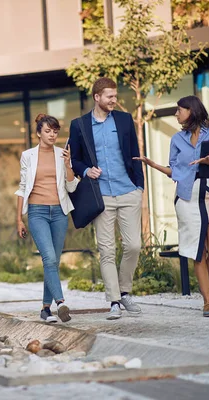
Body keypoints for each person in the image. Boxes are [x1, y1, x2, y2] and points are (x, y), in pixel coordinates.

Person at [134, 95, 209, 317]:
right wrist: (153, 165)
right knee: (198, 251)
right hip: (186, 196)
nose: (176, 114)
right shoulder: (176, 140)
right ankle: (207, 302)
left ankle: (207, 290)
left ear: (191, 111)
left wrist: (208, 162)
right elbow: (175, 171)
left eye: (179, 110)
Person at [68, 77, 144, 320]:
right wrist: (85, 170)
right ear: (97, 97)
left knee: (133, 246)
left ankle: (124, 291)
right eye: (110, 96)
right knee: (107, 249)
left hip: (128, 191)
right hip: (101, 196)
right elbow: (74, 159)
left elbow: (134, 153)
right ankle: (113, 301)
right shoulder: (79, 125)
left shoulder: (123, 120)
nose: (114, 100)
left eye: (115, 96)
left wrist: (139, 187)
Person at [16, 114, 79, 323]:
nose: (52, 135)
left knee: (52, 261)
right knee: (49, 258)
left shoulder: (62, 154)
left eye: (55, 131)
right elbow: (22, 188)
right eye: (48, 131)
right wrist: (19, 219)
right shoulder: (28, 156)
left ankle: (45, 309)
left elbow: (71, 186)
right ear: (38, 133)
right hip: (37, 212)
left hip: (59, 212)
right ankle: (60, 303)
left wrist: (69, 165)